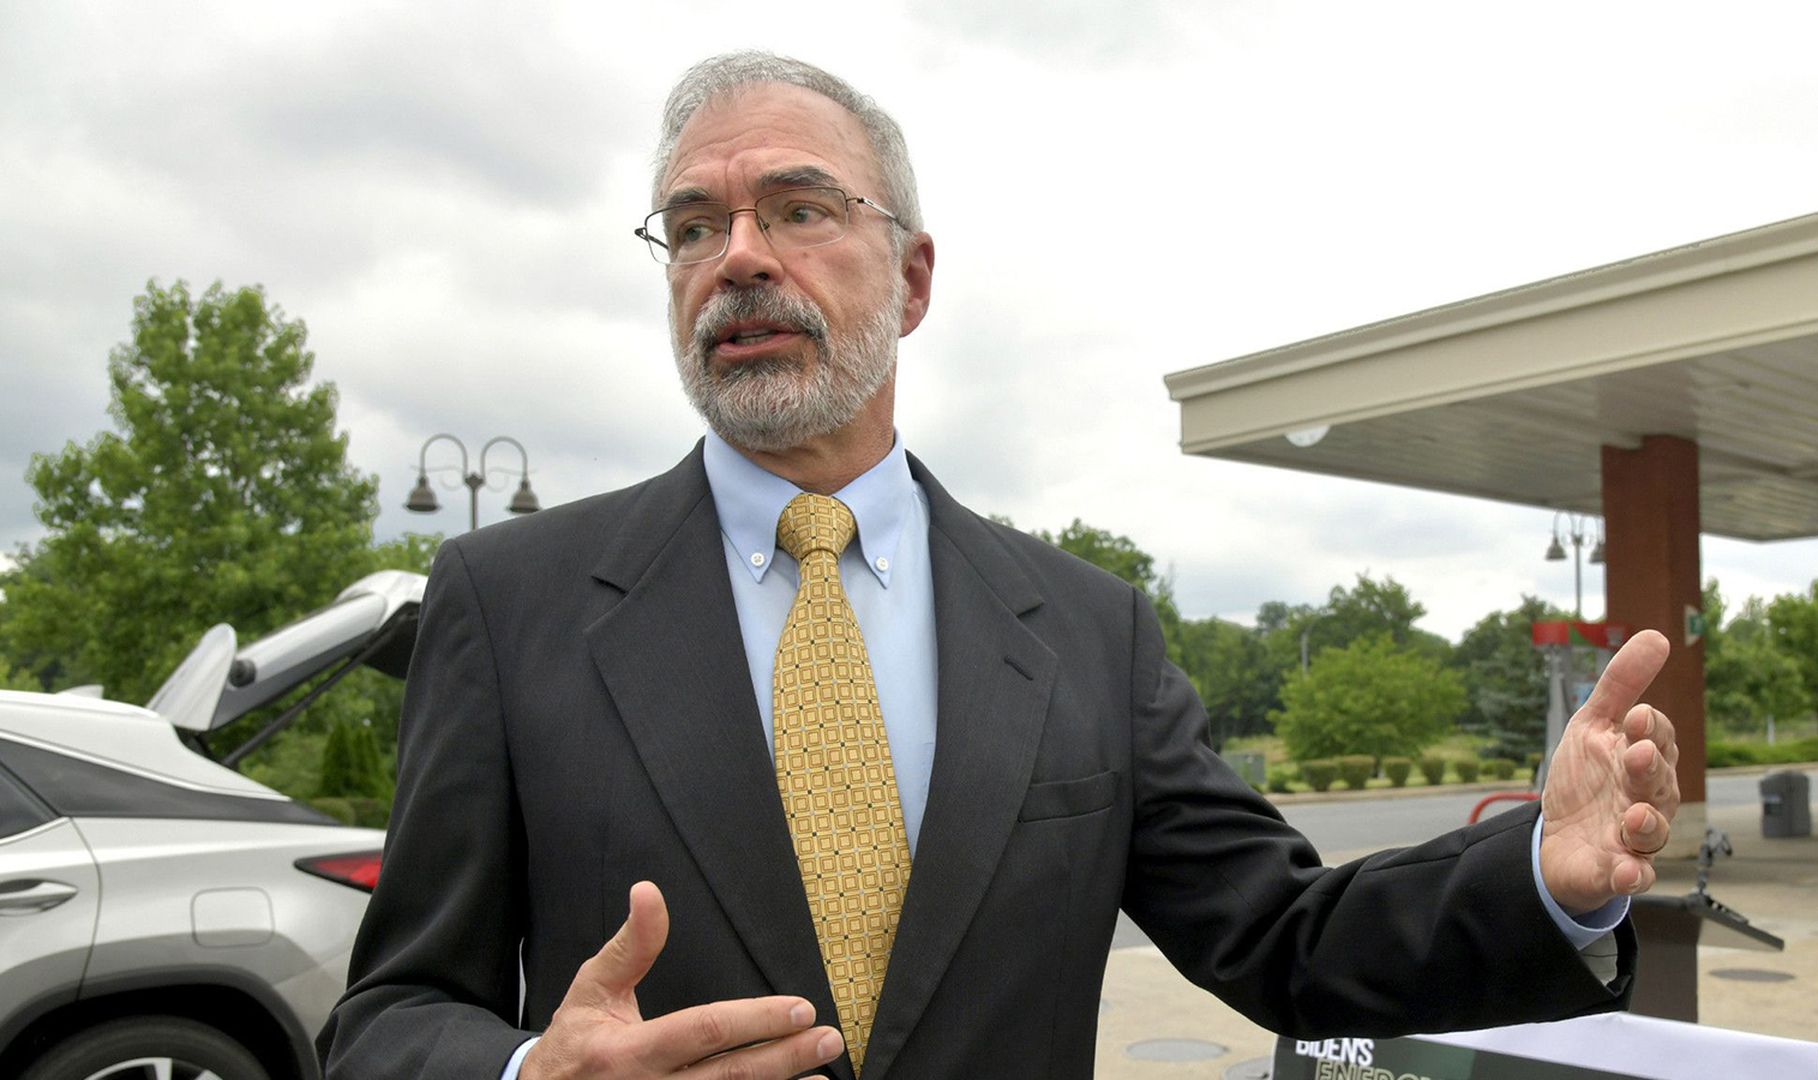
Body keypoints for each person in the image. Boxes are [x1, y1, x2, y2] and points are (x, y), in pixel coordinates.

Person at [318, 52, 1681, 1080]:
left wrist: (1546, 882)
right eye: (691, 226)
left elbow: (1282, 937)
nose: (735, 257)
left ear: (911, 281)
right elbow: (385, 1019)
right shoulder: (511, 603)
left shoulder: (1087, 631)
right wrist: (519, 1071)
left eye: (796, 209)